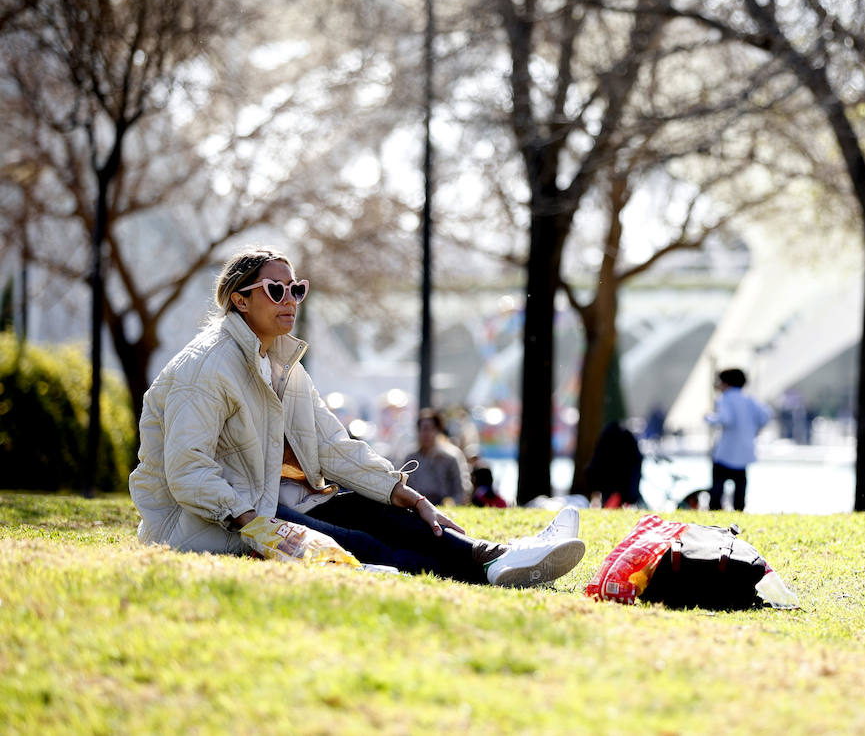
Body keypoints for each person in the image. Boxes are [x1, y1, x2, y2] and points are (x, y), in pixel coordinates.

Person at [129, 247, 583, 587]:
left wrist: (401, 492)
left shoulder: (281, 363)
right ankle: (489, 573)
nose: (289, 300)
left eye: (296, 290)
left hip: (276, 500)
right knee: (365, 545)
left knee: (395, 518)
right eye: (275, 290)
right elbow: (187, 470)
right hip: (214, 523)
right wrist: (252, 522)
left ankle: (498, 556)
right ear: (240, 300)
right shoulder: (207, 367)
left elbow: (331, 446)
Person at [704, 368, 772, 511]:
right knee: (740, 484)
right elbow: (765, 415)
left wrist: (709, 418)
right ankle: (739, 510)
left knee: (718, 485)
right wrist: (755, 430)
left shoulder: (725, 398)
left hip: (727, 451)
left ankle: (715, 509)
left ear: (726, 383)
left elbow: (726, 418)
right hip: (744, 450)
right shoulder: (749, 399)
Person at [401, 408, 470, 506]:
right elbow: (403, 487)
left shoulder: (451, 457)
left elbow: (462, 490)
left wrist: (451, 503)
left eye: (429, 429)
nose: (425, 434)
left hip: (444, 506)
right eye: (422, 429)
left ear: (438, 430)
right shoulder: (410, 458)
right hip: (416, 505)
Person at [584, 420, 643, 508]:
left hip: (612, 486)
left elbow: (593, 468)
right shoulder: (628, 440)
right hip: (622, 486)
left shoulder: (606, 439)